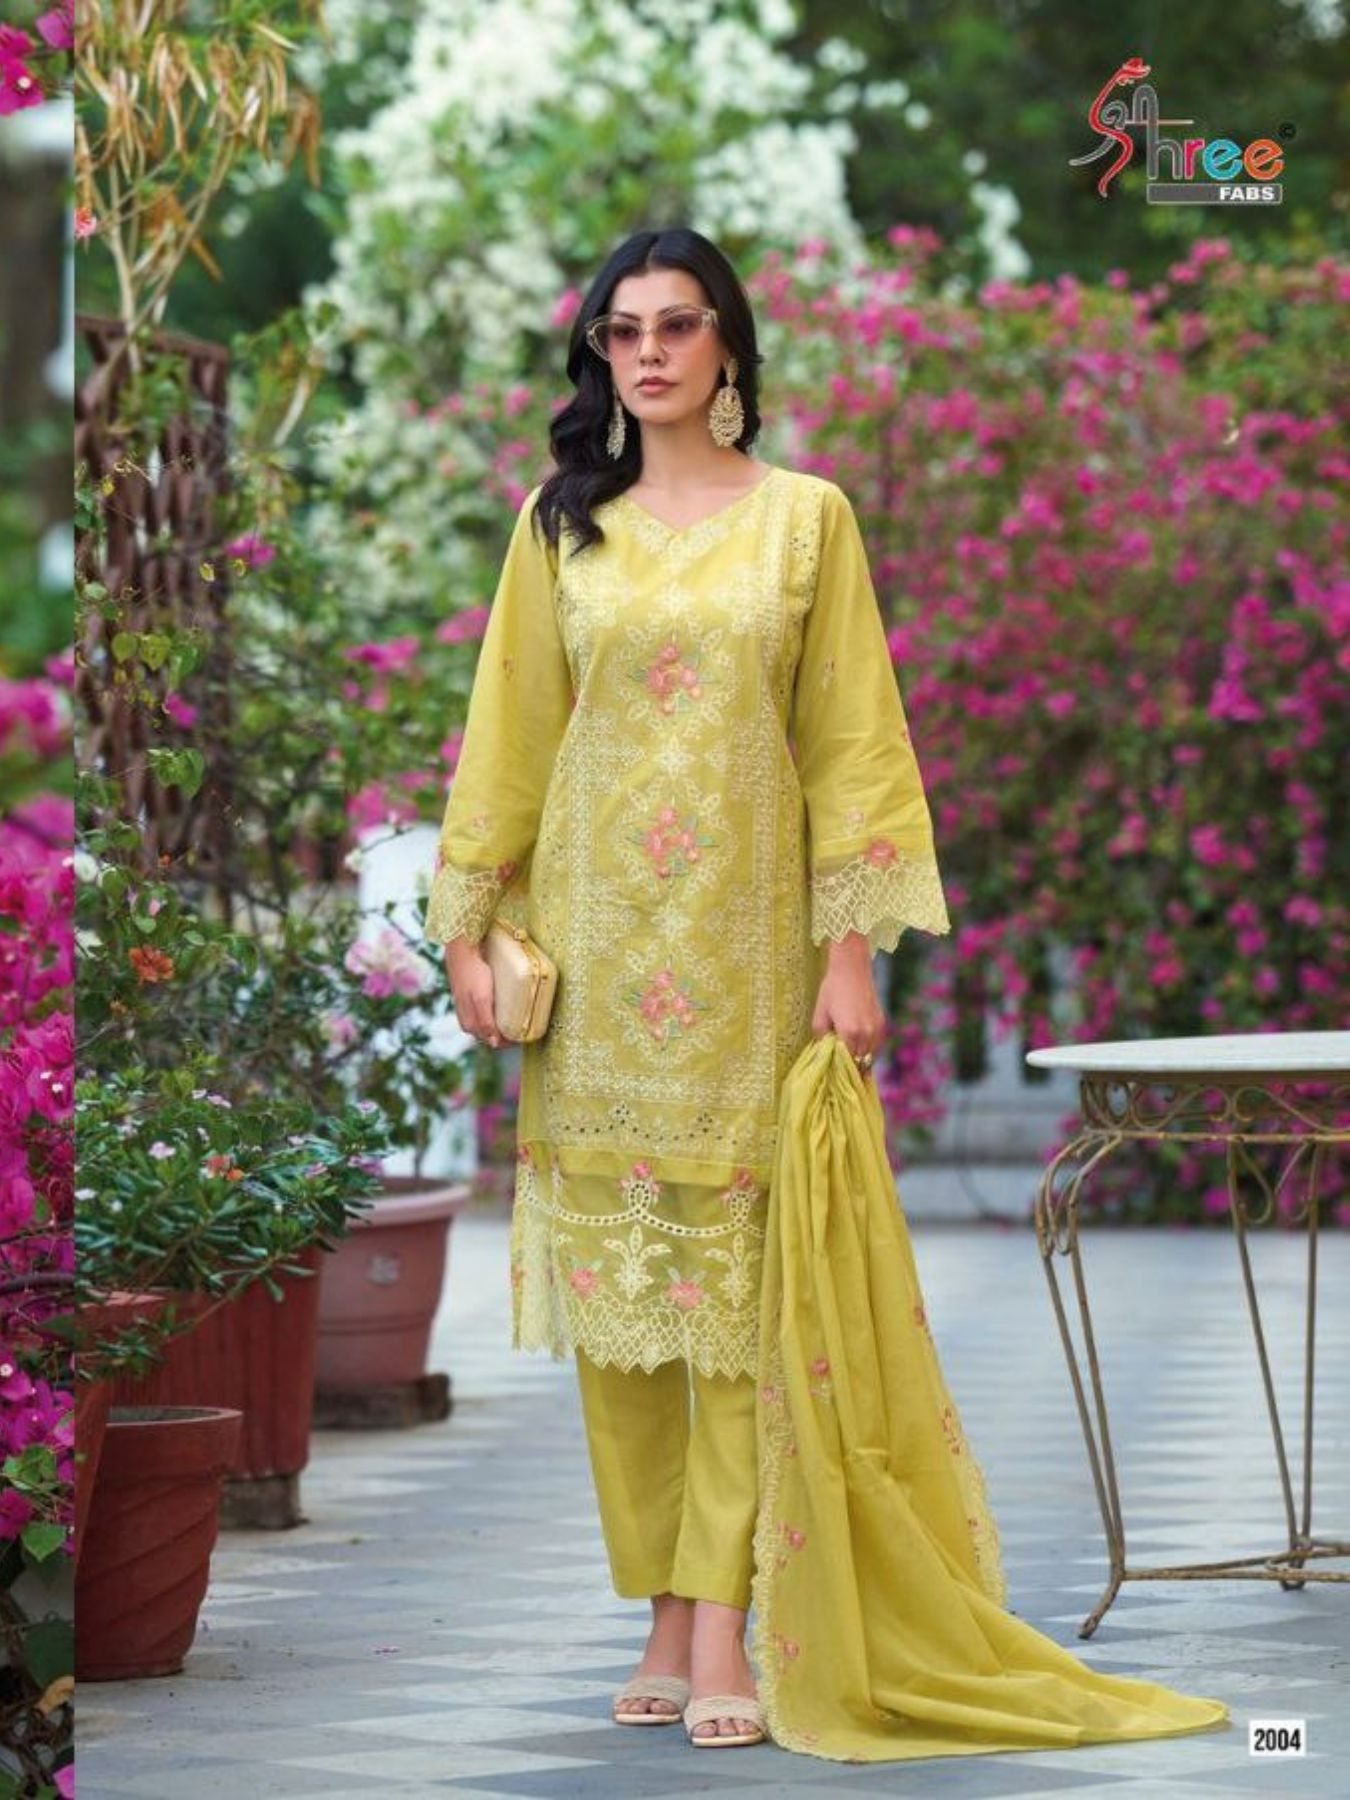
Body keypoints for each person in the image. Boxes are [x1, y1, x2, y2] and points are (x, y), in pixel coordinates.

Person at [424, 224, 947, 1748]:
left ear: (727, 347)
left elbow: (851, 740)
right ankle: (660, 1605)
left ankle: (721, 1624)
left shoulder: (803, 523)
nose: (646, 352)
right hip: (593, 973)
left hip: (747, 962)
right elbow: (510, 732)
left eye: (676, 325)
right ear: (598, 354)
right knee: (624, 1327)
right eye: (622, 330)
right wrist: (467, 924)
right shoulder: (560, 528)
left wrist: (847, 947)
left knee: (737, 1310)